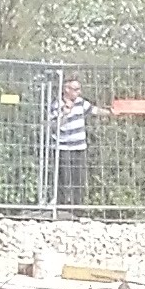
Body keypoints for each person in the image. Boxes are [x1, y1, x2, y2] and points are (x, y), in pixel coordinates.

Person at [56, 76, 90, 211]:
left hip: (79, 146)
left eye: (79, 89)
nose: (79, 92)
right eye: (76, 89)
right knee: (64, 178)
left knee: (79, 179)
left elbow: (93, 110)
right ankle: (62, 206)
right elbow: (54, 125)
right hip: (63, 146)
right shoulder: (57, 104)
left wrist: (111, 112)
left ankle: (77, 207)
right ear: (66, 89)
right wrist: (65, 113)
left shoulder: (81, 102)